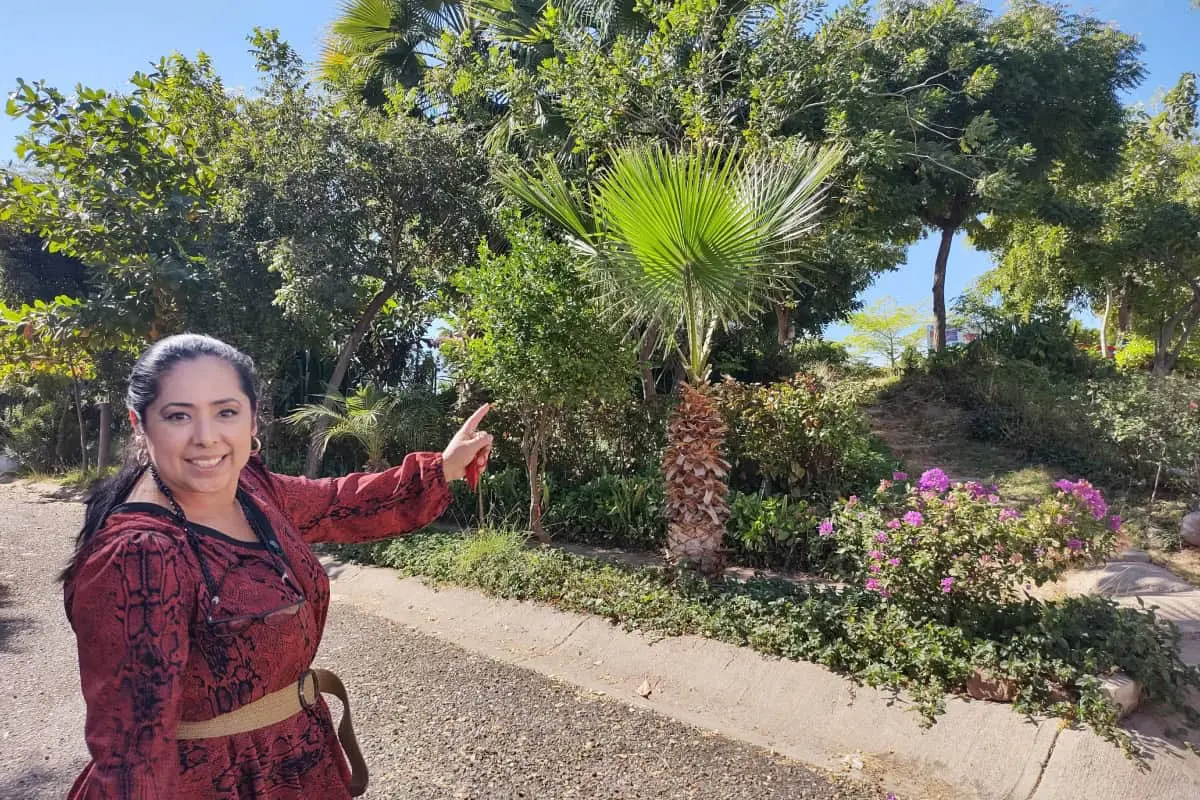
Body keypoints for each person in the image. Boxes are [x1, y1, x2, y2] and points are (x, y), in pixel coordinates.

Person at [61, 334, 492, 799]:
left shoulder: (249, 485)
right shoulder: (139, 556)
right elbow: (133, 758)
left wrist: (443, 468)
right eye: (178, 415)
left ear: (252, 419)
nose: (206, 436)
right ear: (140, 423)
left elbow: (335, 502)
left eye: (226, 412)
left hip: (297, 761)